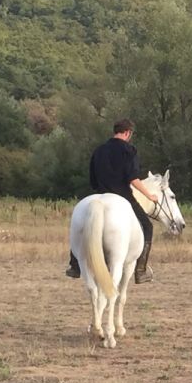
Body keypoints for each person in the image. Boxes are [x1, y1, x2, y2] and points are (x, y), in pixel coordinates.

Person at [65, 118, 158, 284]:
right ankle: (141, 270)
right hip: (122, 195)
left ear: (116, 131)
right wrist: (149, 196)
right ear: (128, 132)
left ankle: (75, 264)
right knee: (147, 226)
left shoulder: (99, 150)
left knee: (81, 221)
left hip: (100, 193)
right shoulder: (129, 150)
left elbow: (92, 179)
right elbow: (133, 178)